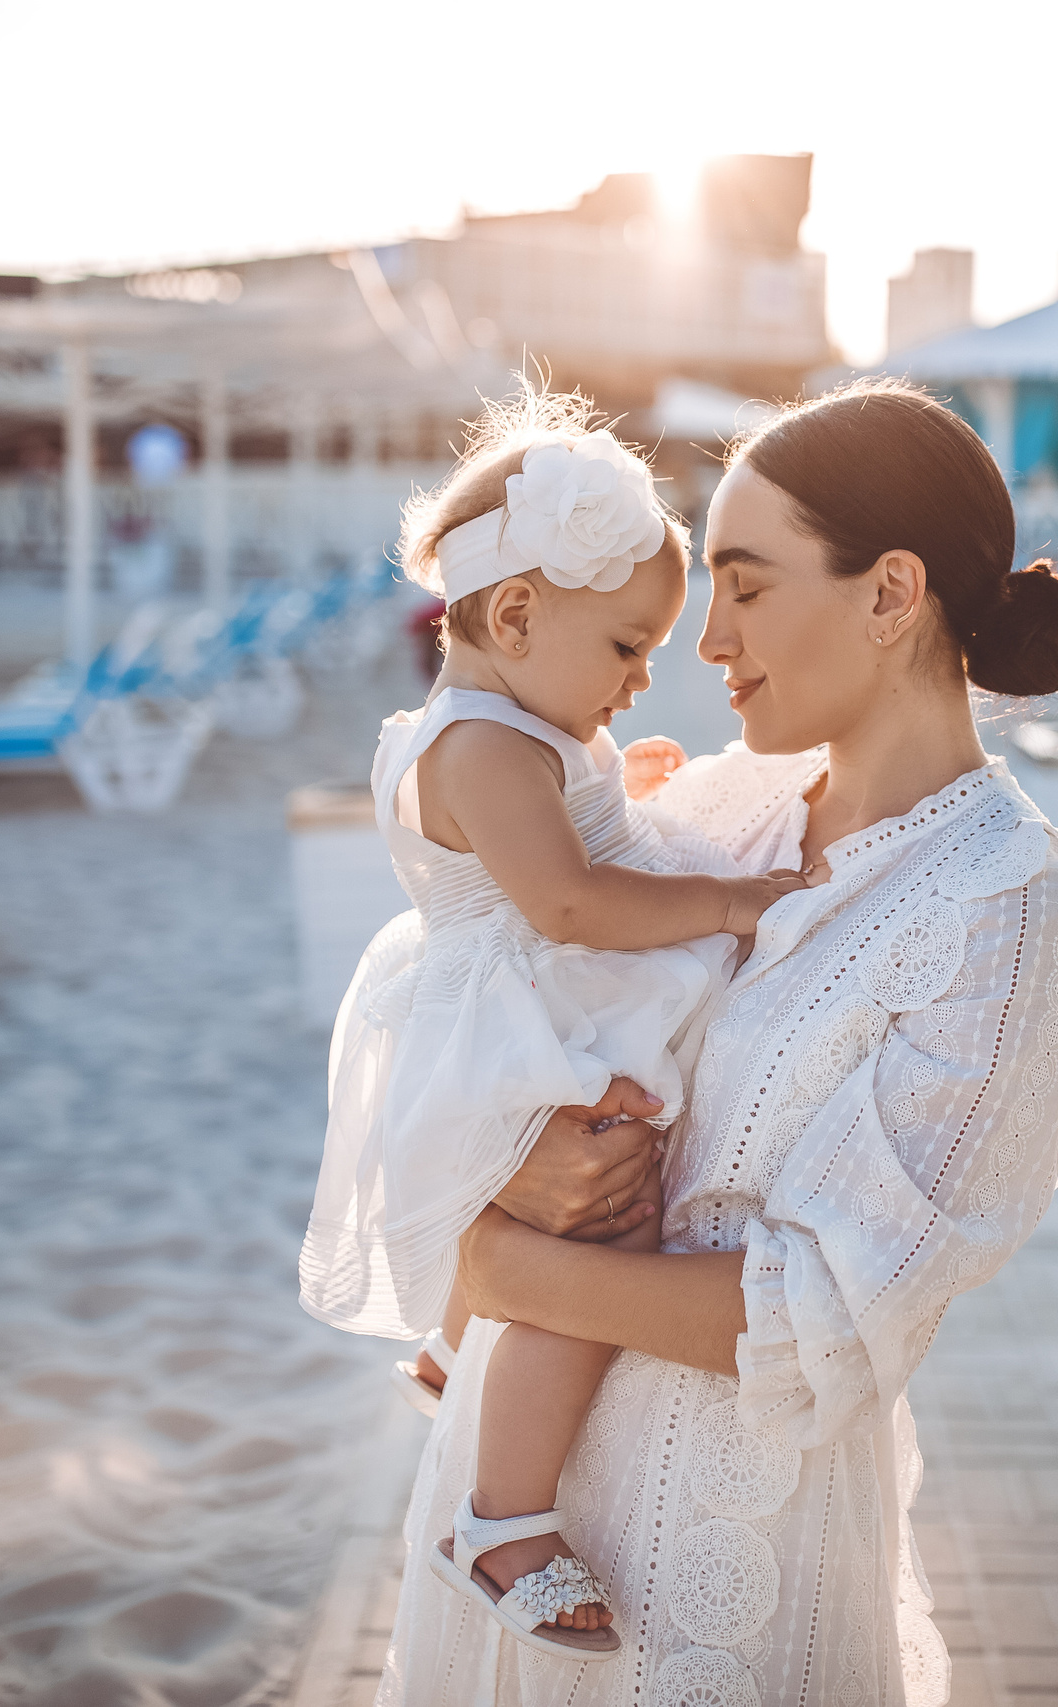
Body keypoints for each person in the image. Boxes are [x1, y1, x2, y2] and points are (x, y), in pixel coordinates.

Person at [372, 379, 1058, 1705]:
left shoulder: (1015, 911)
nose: (705, 640)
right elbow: (483, 1018)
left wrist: (489, 1256)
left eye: (745, 584)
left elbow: (825, 1317)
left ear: (891, 594)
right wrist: (514, 1175)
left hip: (713, 1572)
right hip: (497, 1533)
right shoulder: (716, 811)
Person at [299, 392, 804, 1659]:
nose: (641, 680)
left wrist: (613, 787)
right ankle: (503, 1517)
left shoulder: (514, 730)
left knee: (572, 1225)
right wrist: (729, 897)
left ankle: (452, 1353)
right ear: (517, 615)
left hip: (525, 1006)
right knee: (602, 1236)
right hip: (519, 1024)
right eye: (627, 647)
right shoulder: (480, 750)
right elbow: (570, 902)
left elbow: (561, 839)